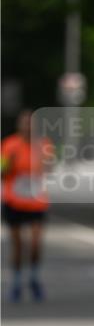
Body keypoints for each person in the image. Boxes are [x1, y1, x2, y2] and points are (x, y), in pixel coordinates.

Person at [1, 109, 53, 301]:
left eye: (31, 124)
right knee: (17, 245)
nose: (28, 127)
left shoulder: (44, 144)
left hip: (36, 201)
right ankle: (15, 283)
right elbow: (1, 171)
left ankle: (34, 278)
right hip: (14, 200)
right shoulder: (9, 145)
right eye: (25, 123)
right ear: (19, 125)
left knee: (35, 243)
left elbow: (49, 167)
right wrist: (8, 164)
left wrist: (47, 163)